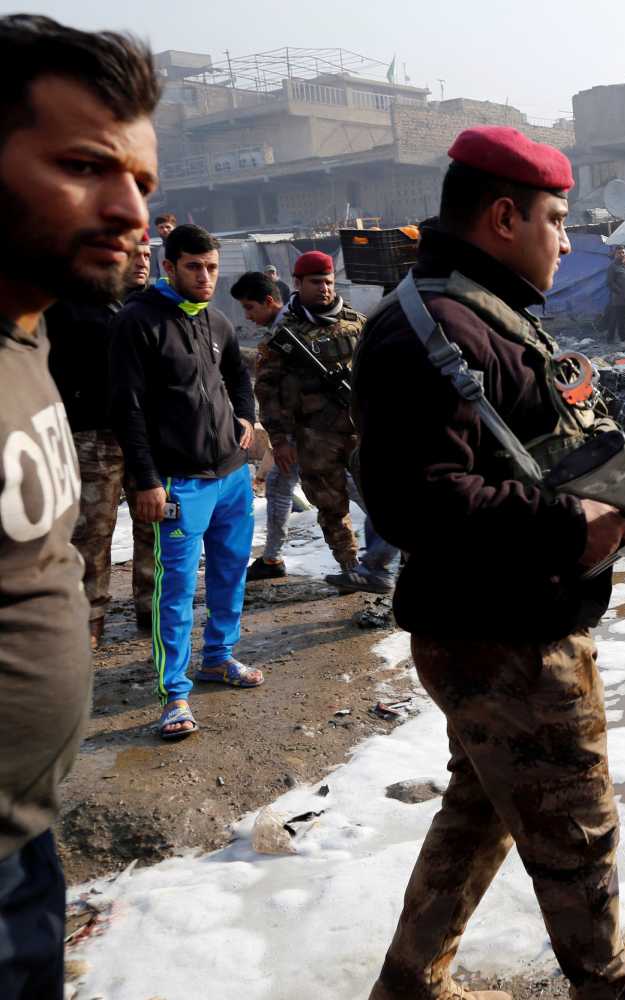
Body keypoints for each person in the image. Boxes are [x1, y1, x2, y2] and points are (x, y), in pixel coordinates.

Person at [354, 124, 625, 1000]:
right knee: (578, 836)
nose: (566, 239)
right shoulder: (433, 328)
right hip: (503, 638)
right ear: (502, 215)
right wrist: (570, 525)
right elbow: (412, 499)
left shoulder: (481, 312)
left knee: (481, 810)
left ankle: (411, 984)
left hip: (501, 621)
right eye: (556, 219)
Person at [0, 17, 157, 995]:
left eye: (141, 180)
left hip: (27, 846)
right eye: (86, 166)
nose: (129, 207)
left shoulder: (31, 340)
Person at [112, 224, 262, 740]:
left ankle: (219, 656)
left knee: (229, 572)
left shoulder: (216, 320)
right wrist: (147, 480)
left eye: (212, 268)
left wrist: (248, 417)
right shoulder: (138, 323)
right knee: (174, 589)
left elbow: (239, 374)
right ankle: (174, 692)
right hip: (178, 483)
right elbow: (127, 411)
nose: (205, 277)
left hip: (230, 476)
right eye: (194, 267)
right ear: (169, 265)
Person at [257, 250, 396, 593]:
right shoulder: (284, 337)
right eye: (316, 282)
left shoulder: (357, 322)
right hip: (314, 435)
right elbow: (268, 392)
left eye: (329, 281)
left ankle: (385, 563)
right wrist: (280, 440)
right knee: (330, 506)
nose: (324, 289)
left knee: (384, 499)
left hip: (362, 430)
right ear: (298, 283)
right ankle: (351, 568)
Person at [46, 231, 154, 645]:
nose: (142, 262)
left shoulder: (152, 309)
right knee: (93, 531)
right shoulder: (71, 307)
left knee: (153, 525)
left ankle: (152, 608)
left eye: (148, 255)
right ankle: (90, 619)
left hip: (145, 435)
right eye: (134, 255)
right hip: (93, 433)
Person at [229, 271, 302, 581]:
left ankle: (401, 547)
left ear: (269, 301)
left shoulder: (287, 331)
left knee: (349, 485)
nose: (248, 315)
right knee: (279, 485)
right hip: (304, 428)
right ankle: (271, 559)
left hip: (311, 429)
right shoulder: (290, 323)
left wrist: (283, 438)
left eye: (250, 307)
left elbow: (274, 389)